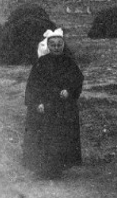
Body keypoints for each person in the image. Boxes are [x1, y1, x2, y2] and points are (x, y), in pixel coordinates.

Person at [22, 29, 83, 179]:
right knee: (44, 136)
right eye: (53, 45)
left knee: (60, 136)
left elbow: (77, 80)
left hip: (62, 107)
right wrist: (37, 103)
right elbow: (33, 85)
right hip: (44, 106)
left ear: (63, 45)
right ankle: (43, 168)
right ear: (48, 46)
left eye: (59, 45)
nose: (56, 48)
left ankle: (58, 167)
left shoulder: (69, 62)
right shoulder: (41, 63)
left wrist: (69, 91)